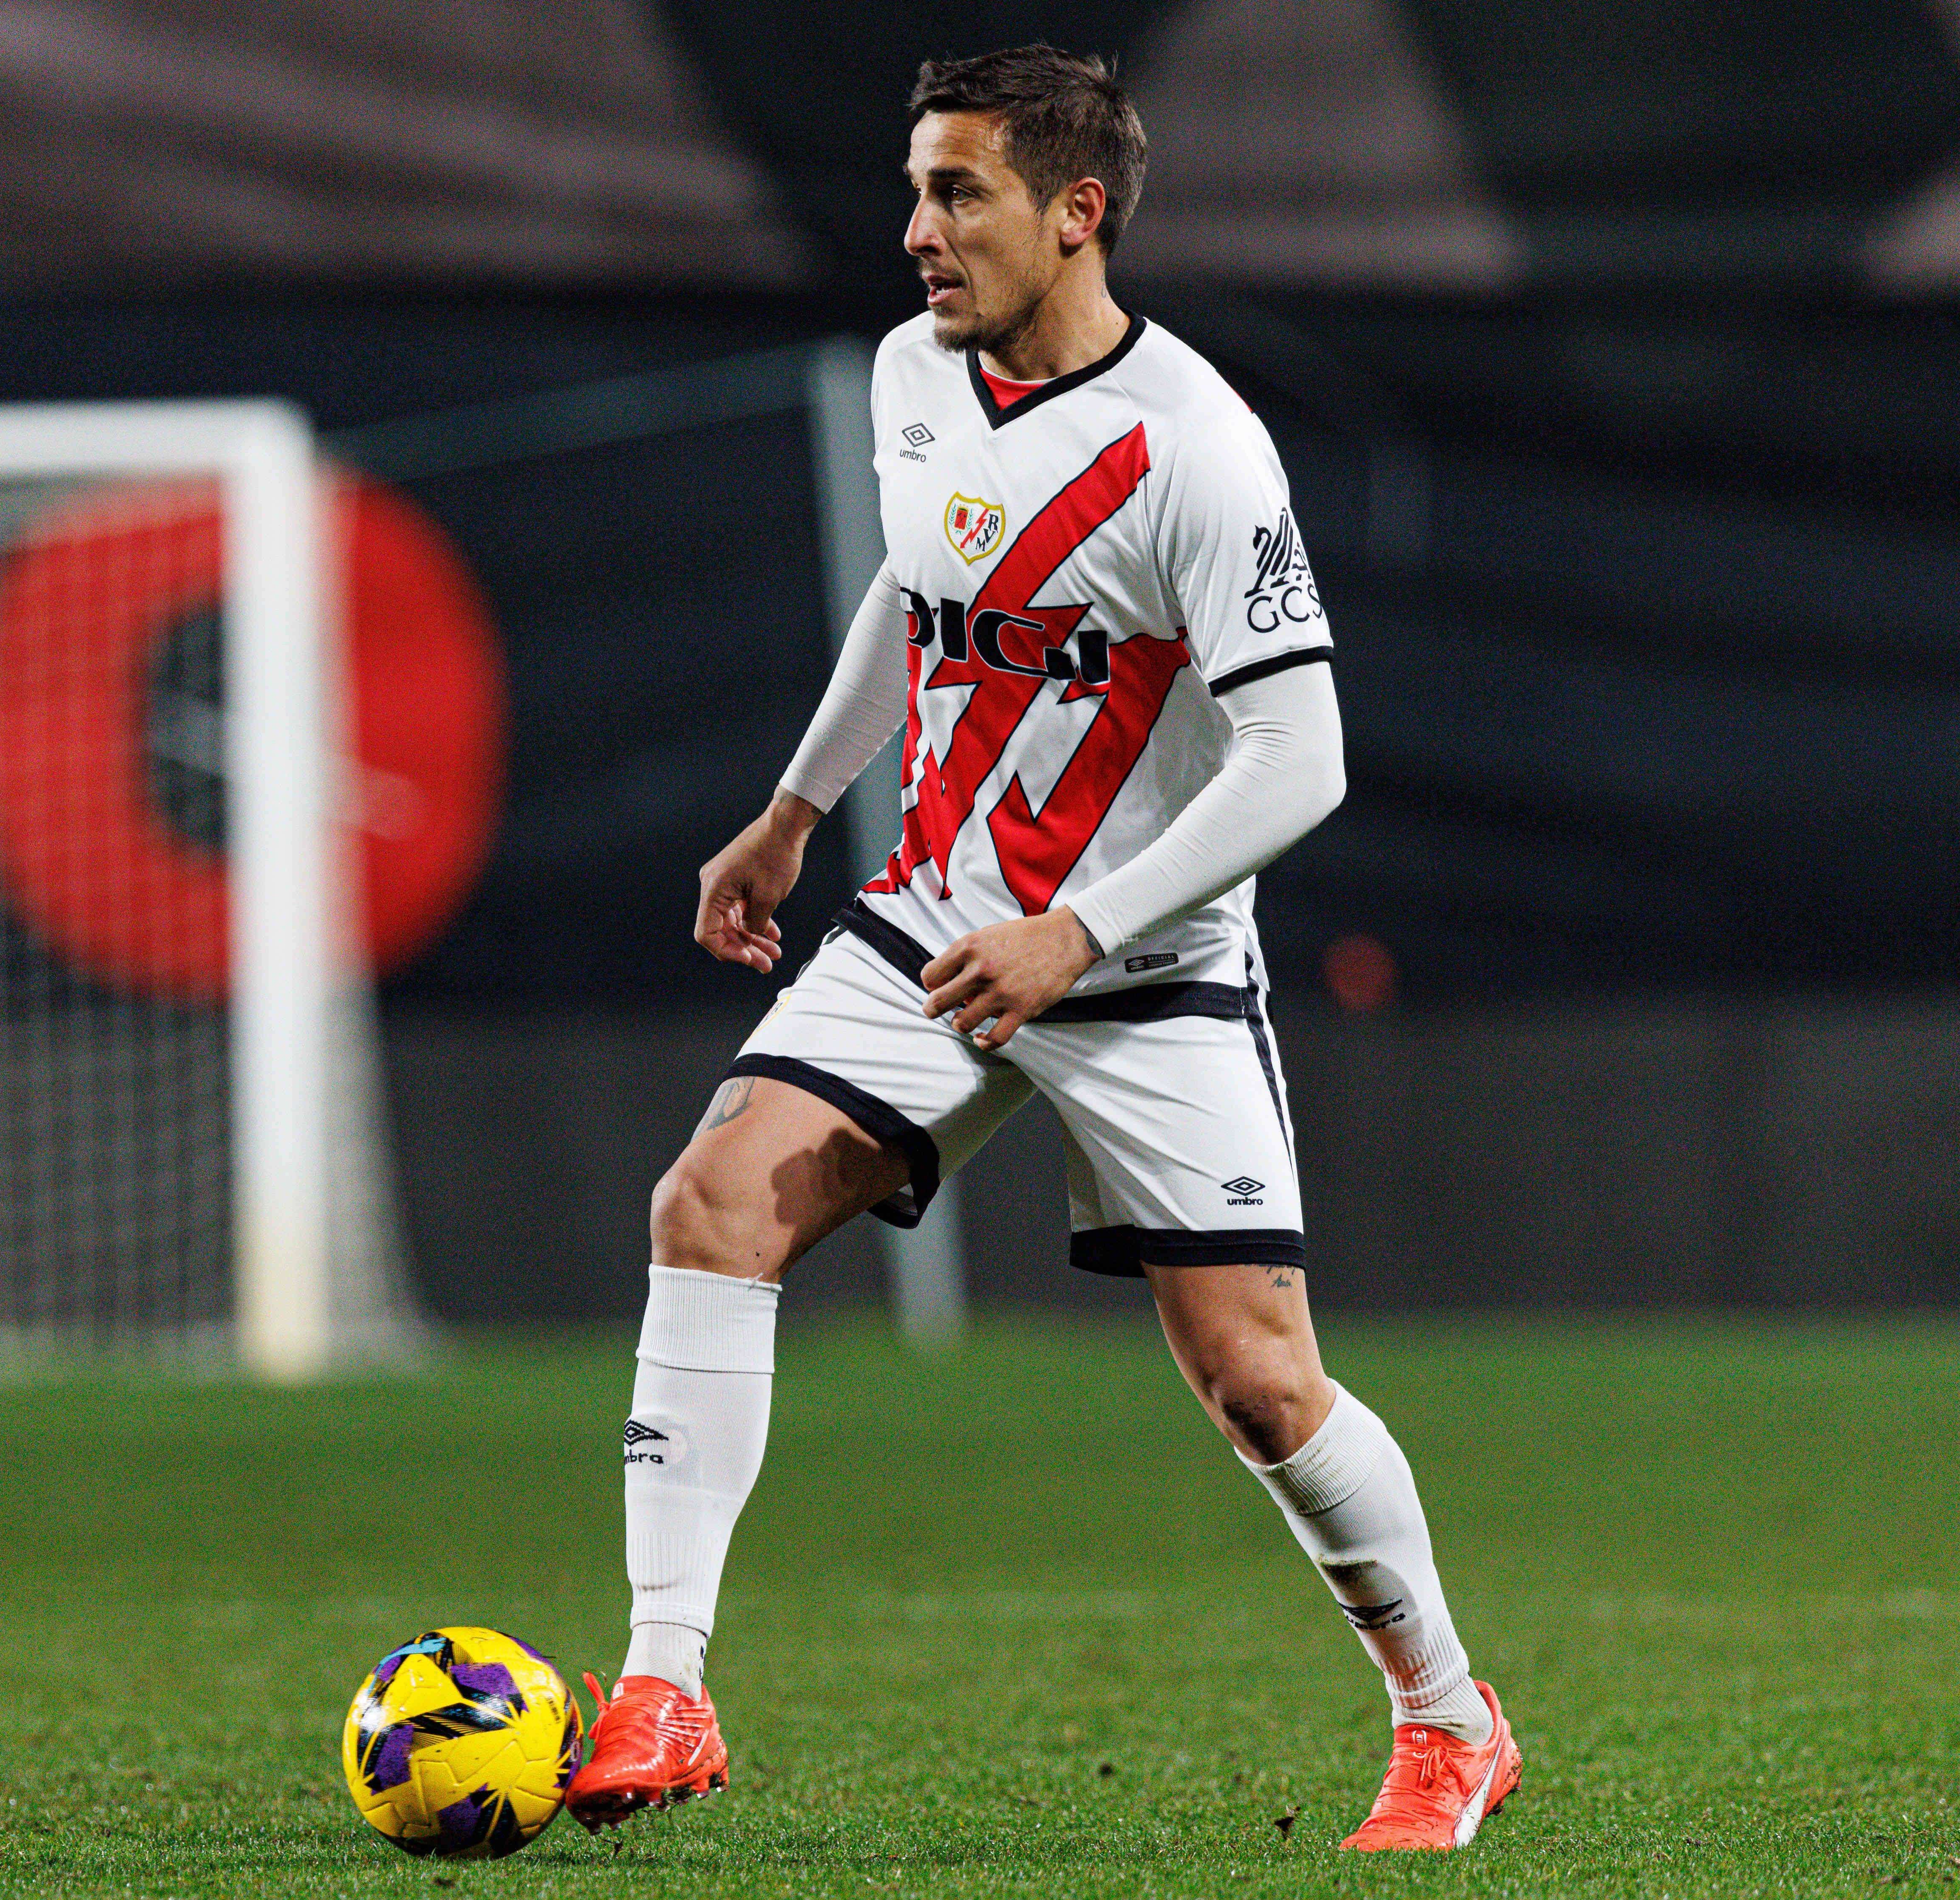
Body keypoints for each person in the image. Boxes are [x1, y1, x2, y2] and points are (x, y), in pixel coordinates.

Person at [561, 44, 1520, 1854]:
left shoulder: (1199, 449)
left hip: (1142, 970)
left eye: (959, 194)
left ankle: (1451, 1720)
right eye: (917, 190)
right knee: (712, 1203)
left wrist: (1083, 930)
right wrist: (790, 806)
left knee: (1258, 1384)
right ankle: (665, 1688)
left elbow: (1300, 755)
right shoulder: (913, 372)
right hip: (931, 923)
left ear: (1077, 214)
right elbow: (917, 584)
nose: (916, 231)